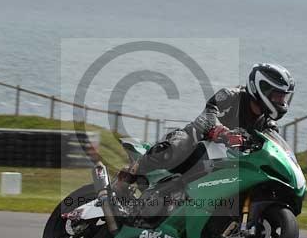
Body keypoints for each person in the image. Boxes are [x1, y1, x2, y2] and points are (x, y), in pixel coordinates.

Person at [114, 63, 295, 196]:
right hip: (199, 143)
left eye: (284, 98)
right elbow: (208, 114)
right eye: (278, 96)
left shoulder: (267, 125)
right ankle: (126, 178)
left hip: (227, 161)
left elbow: (273, 149)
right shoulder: (231, 96)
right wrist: (222, 131)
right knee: (176, 146)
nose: (282, 103)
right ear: (261, 88)